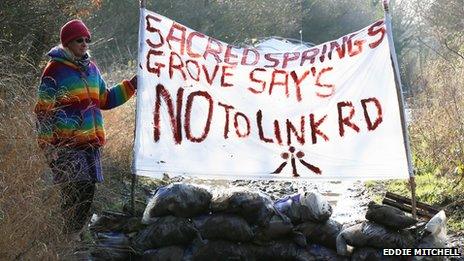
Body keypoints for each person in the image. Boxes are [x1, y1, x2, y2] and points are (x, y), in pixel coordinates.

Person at [34, 19, 137, 239]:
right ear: (68, 43)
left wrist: (132, 84)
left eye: (86, 40)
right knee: (74, 191)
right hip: (67, 147)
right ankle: (67, 238)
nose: (84, 44)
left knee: (87, 193)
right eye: (79, 40)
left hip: (91, 145)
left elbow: (106, 99)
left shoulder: (91, 68)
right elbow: (43, 112)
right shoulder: (54, 70)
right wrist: (47, 146)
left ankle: (72, 236)